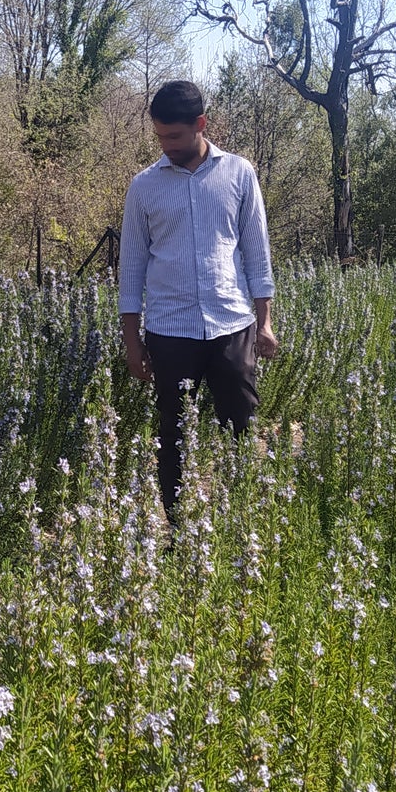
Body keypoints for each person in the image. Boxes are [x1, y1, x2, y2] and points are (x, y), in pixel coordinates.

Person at [118, 78, 278, 517]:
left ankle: (239, 521)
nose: (166, 144)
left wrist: (263, 322)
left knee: (241, 427)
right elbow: (130, 270)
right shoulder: (144, 187)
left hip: (232, 327)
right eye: (160, 136)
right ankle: (175, 527)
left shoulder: (240, 174)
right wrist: (133, 342)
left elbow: (256, 252)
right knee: (172, 438)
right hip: (170, 332)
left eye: (174, 136)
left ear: (200, 124)